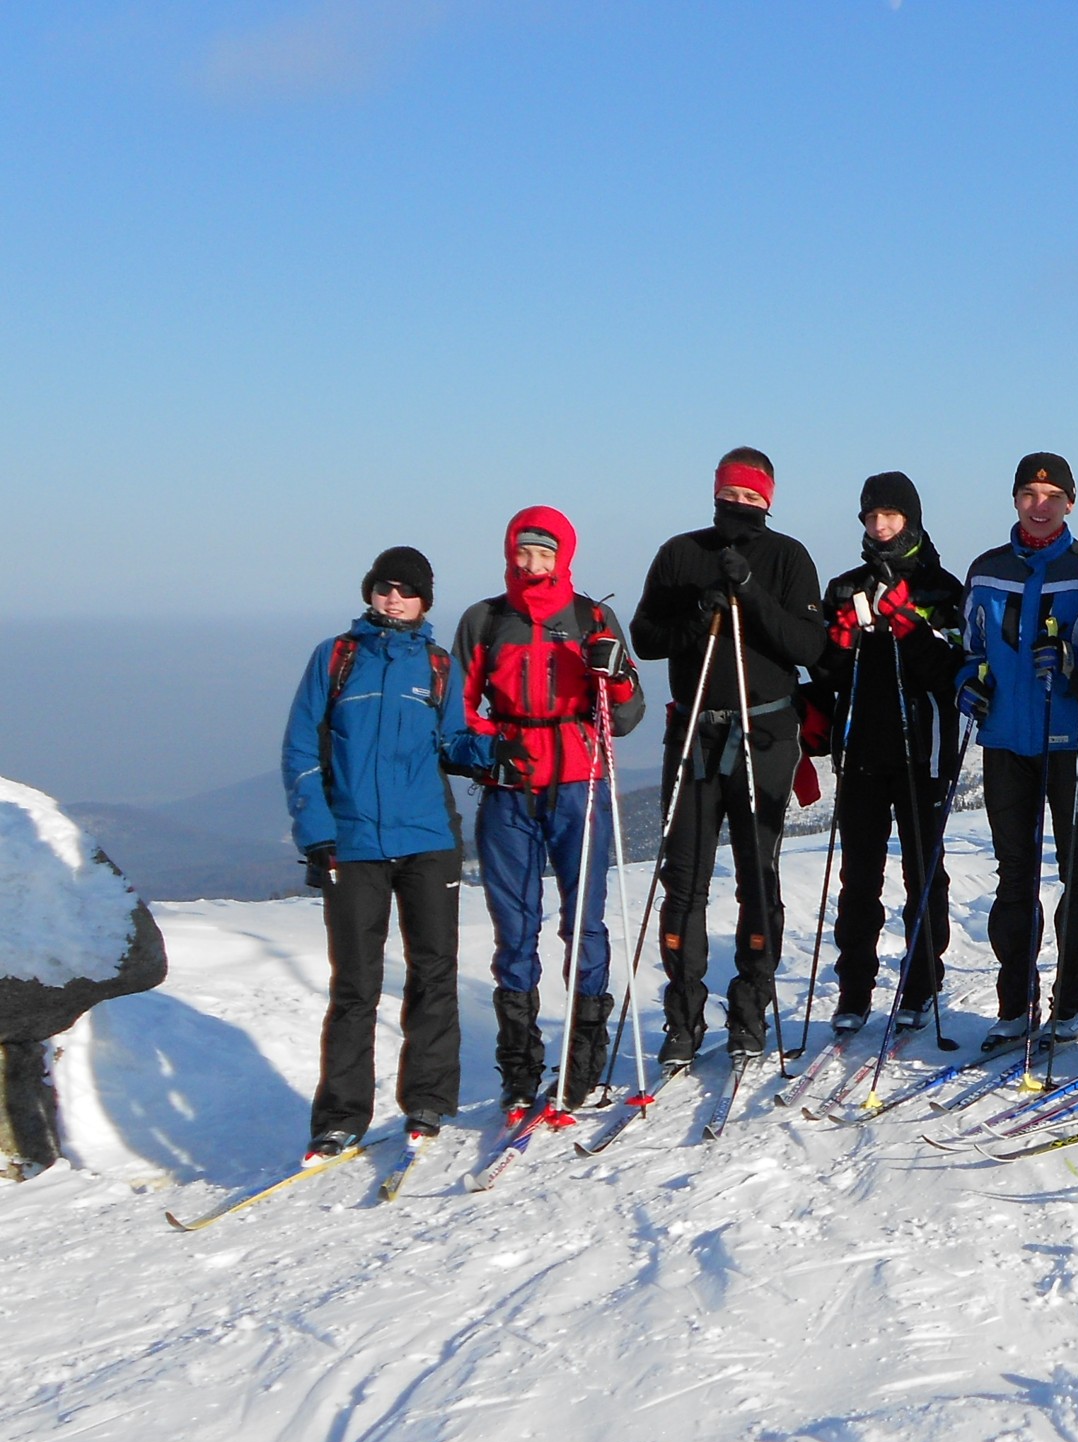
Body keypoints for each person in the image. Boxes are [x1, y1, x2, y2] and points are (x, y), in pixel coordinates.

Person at [629, 448, 828, 1064]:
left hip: (763, 734)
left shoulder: (788, 557)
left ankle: (750, 1011)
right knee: (683, 881)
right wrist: (698, 612)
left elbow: (807, 646)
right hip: (695, 733)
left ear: (768, 500)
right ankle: (682, 1019)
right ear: (715, 494)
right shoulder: (680, 553)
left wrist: (748, 591)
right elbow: (645, 638)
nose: (739, 506)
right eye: (730, 495)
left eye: (751, 497)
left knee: (757, 876)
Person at [283, 547, 482, 1160]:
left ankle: (428, 1100)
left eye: (407, 590)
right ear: (370, 591)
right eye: (384, 587)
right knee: (355, 983)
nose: (394, 598)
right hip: (353, 844)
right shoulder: (336, 658)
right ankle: (340, 1117)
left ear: (424, 601)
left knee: (434, 973)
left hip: (428, 841)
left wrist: (497, 751)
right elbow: (300, 748)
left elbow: (454, 741)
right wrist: (317, 830)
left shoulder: (439, 665)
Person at [453, 509, 646, 1115]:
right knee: (514, 929)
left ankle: (583, 1059)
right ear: (509, 553)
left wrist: (615, 676)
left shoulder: (592, 619)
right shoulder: (485, 621)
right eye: (524, 552)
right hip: (509, 784)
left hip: (578, 780)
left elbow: (628, 714)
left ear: (564, 558)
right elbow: (457, 712)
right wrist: (490, 748)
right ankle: (519, 1067)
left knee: (584, 922)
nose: (533, 564)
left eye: (545, 554)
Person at [958, 453, 1078, 1049]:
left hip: (1071, 738)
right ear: (1015, 500)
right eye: (1028, 494)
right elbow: (970, 649)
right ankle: (1014, 1003)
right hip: (1006, 739)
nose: (1039, 505)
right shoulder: (987, 569)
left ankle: (1070, 1003)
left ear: (1070, 502)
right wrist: (968, 683)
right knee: (1014, 875)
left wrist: (1073, 661)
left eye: (1052, 496)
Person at [816, 472, 967, 1031]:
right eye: (871, 517)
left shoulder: (942, 589)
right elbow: (827, 674)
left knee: (923, 873)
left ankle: (921, 984)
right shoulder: (844, 588)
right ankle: (854, 991)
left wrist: (911, 628)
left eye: (890, 516)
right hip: (860, 751)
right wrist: (838, 645)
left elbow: (954, 672)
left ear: (911, 519)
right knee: (859, 877)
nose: (880, 526)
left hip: (923, 752)